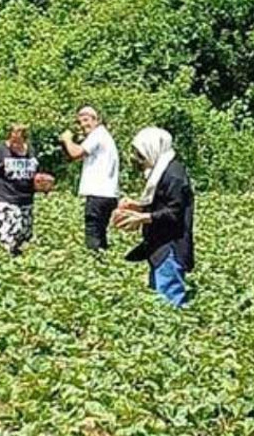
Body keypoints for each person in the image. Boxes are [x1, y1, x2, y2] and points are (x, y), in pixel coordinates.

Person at [112, 128, 195, 307]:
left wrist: (142, 217)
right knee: (157, 297)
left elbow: (174, 213)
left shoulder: (173, 174)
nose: (138, 158)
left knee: (169, 300)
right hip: (158, 244)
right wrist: (137, 205)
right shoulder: (161, 170)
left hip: (171, 245)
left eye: (140, 153)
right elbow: (161, 203)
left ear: (153, 148)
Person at [59, 106, 120, 251]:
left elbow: (76, 153)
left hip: (98, 194)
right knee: (100, 233)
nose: (83, 125)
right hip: (108, 194)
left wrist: (67, 139)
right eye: (80, 122)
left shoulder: (98, 134)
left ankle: (95, 262)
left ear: (96, 120)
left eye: (86, 120)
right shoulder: (104, 136)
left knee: (93, 234)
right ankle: (103, 261)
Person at [0, 123, 41, 256]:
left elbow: (34, 176)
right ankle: (4, 265)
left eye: (19, 140)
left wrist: (42, 184)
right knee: (6, 238)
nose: (15, 143)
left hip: (26, 201)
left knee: (24, 239)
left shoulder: (31, 151)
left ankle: (20, 269)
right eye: (13, 139)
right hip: (3, 199)